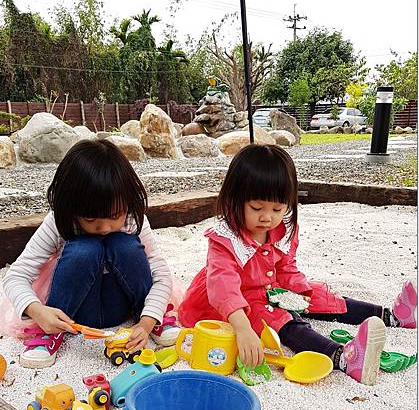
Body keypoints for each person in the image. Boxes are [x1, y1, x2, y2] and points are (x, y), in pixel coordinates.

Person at [178, 144, 417, 386]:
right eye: (256, 208)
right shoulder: (225, 239)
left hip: (273, 288)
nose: (267, 217)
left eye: (277, 209)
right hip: (237, 303)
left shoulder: (281, 230)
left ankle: (393, 316)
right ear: (234, 199)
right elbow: (223, 286)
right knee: (282, 321)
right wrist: (242, 328)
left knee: (320, 298)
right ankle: (343, 358)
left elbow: (286, 268)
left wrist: (301, 293)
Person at [0, 138, 179, 369]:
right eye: (91, 219)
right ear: (71, 207)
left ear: (127, 202)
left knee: (124, 244)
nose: (104, 227)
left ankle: (154, 319)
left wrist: (146, 322)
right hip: (73, 314)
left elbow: (161, 273)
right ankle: (52, 333)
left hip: (125, 306)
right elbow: (15, 276)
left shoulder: (133, 219)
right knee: (85, 248)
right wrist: (39, 313)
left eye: (115, 216)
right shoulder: (60, 221)